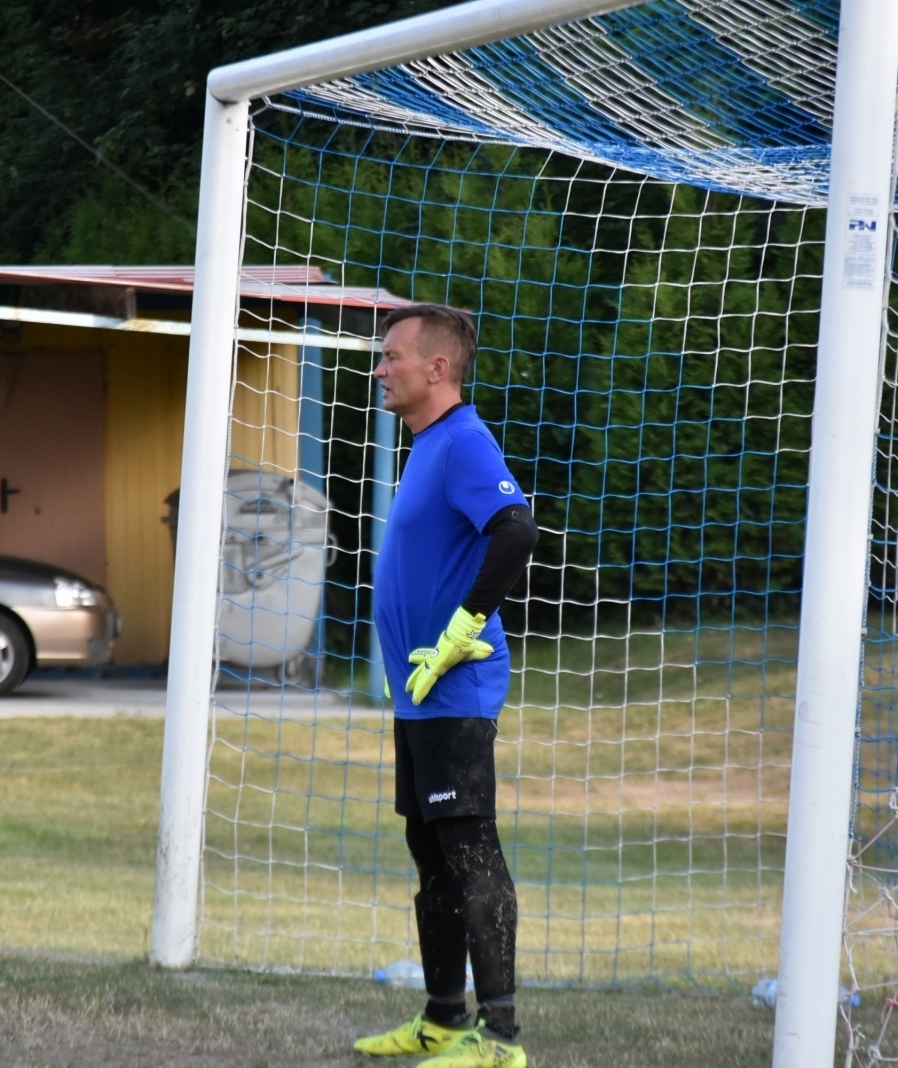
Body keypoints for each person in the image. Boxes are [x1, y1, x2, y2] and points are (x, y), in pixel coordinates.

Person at [354, 304, 539, 1068]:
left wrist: (466, 626)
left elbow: (517, 529)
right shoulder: (425, 445)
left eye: (392, 356)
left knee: (470, 851)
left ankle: (499, 1042)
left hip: (455, 689)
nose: (380, 368)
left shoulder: (463, 439)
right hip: (417, 694)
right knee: (429, 851)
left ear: (437, 369)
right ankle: (441, 1019)